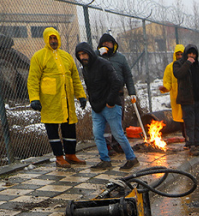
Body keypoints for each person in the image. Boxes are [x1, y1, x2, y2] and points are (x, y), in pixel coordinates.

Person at [27, 27, 88, 168]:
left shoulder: (66, 56)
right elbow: (33, 79)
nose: (53, 41)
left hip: (67, 100)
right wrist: (34, 98)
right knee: (52, 129)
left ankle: (71, 154)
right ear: (46, 39)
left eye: (55, 38)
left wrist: (81, 96)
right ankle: (59, 157)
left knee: (69, 128)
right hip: (49, 102)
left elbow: (75, 78)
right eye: (51, 38)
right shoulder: (39, 56)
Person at [74, 42, 139, 171]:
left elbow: (117, 82)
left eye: (84, 54)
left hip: (110, 106)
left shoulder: (103, 64)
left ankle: (132, 158)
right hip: (97, 107)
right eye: (79, 55)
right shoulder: (85, 69)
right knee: (98, 134)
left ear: (90, 53)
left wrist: (110, 101)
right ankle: (105, 160)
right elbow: (90, 88)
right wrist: (92, 102)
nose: (82, 57)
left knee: (118, 133)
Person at [97, 33, 136, 151]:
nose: (106, 45)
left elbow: (128, 76)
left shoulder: (120, 58)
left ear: (113, 44)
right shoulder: (97, 58)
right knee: (107, 120)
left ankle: (116, 142)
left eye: (108, 43)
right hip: (104, 93)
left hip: (118, 93)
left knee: (119, 118)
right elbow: (87, 63)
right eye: (104, 44)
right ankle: (107, 145)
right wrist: (97, 54)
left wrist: (132, 92)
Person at [173, 44, 199, 156]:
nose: (192, 55)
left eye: (194, 54)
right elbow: (179, 74)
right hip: (187, 100)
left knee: (197, 122)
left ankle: (197, 143)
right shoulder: (179, 64)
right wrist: (188, 63)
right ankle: (190, 144)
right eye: (190, 53)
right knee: (189, 122)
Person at [160, 44, 186, 141]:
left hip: (188, 98)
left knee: (189, 119)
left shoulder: (188, 66)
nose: (179, 56)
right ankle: (187, 139)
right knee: (182, 121)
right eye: (177, 54)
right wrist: (164, 88)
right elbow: (168, 83)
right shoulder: (170, 68)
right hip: (177, 98)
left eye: (181, 54)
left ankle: (190, 140)